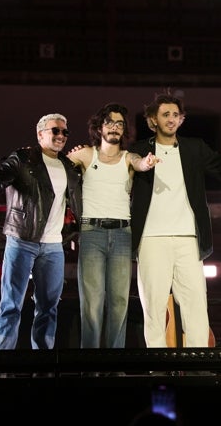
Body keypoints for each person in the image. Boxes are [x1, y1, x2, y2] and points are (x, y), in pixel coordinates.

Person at [129, 90, 221, 348]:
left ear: (181, 120)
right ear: (153, 120)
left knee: (196, 305)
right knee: (153, 308)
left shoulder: (194, 148)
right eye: (165, 114)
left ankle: (198, 365)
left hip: (188, 238)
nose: (171, 119)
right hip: (151, 239)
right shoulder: (137, 150)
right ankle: (158, 367)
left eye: (175, 115)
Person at [0, 113, 82, 349]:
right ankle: (2, 365)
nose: (61, 135)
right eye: (55, 131)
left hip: (53, 246)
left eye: (65, 132)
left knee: (48, 307)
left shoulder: (69, 167)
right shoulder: (23, 158)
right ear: (40, 134)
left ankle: (42, 365)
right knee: (11, 305)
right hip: (22, 241)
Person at [67, 103, 159, 348]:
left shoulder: (128, 158)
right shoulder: (86, 154)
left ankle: (114, 361)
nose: (115, 128)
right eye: (110, 122)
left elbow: (140, 163)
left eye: (120, 124)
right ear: (99, 127)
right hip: (91, 233)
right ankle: (90, 362)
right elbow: (59, 167)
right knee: (92, 301)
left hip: (121, 234)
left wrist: (147, 162)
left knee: (119, 300)